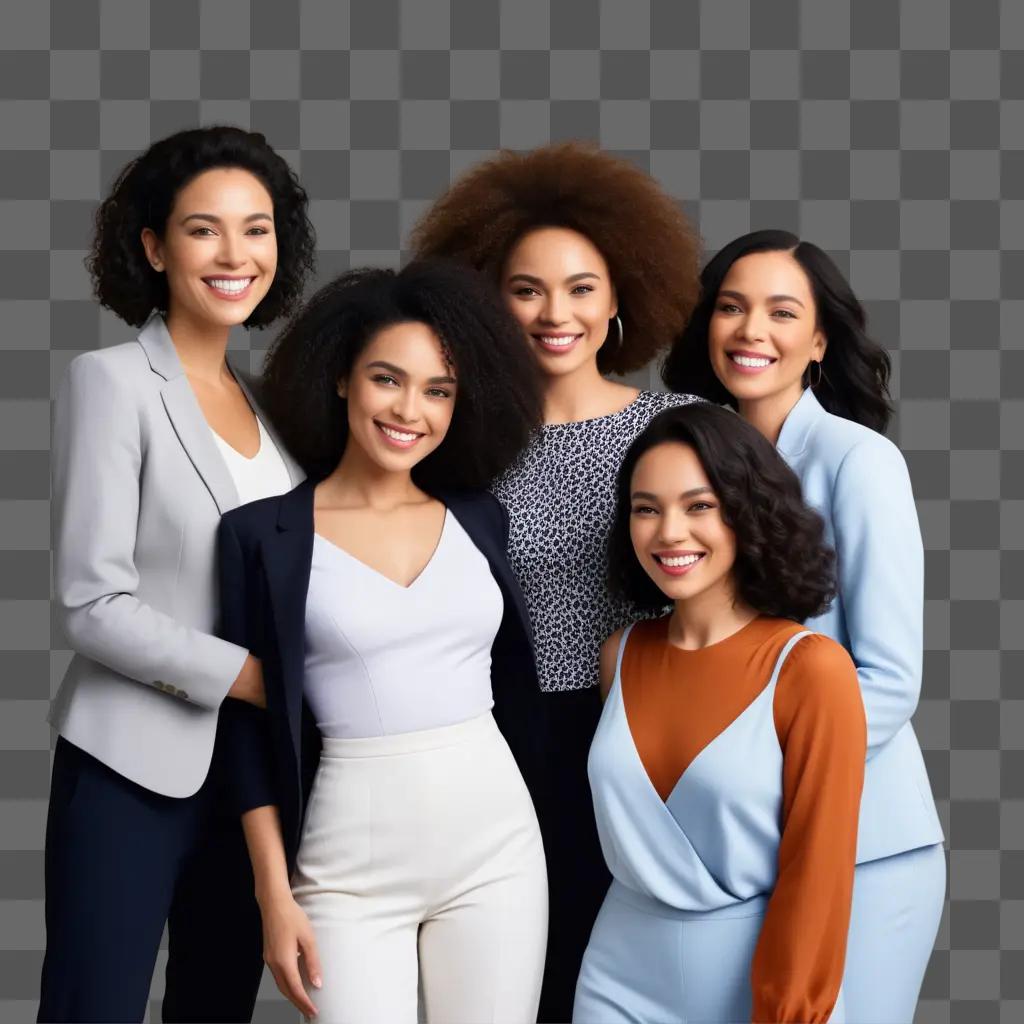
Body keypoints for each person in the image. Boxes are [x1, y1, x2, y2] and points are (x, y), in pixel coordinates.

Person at [410, 143, 702, 1020]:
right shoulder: (454, 438)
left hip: (644, 728)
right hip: (499, 733)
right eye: (526, 288)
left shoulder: (680, 429)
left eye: (581, 287)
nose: (554, 312)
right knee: (516, 977)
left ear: (620, 297)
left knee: (638, 971)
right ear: (488, 299)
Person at [216, 262, 548, 1023]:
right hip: (345, 868)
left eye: (438, 389)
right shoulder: (261, 536)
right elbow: (245, 730)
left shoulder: (480, 518)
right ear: (341, 379)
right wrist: (274, 893)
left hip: (497, 849)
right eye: (387, 380)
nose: (411, 410)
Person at [39, 126, 315, 1023]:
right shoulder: (112, 382)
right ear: (154, 247)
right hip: (129, 765)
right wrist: (256, 680)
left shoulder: (274, 408)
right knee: (95, 1008)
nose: (236, 255)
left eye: (257, 228)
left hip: (250, 783)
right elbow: (92, 603)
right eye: (204, 230)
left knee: (216, 1007)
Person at [662, 229, 945, 1023]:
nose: (752, 331)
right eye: (731, 308)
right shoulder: (683, 462)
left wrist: (754, 778)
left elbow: (889, 680)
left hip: (864, 848)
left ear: (819, 340)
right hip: (738, 851)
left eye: (781, 312)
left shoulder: (860, 462)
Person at [575, 402, 865, 1023]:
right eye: (646, 508)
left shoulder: (810, 668)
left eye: (699, 506)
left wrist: (786, 1009)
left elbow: (820, 871)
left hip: (754, 983)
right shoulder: (619, 655)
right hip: (615, 978)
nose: (669, 532)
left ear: (747, 512)